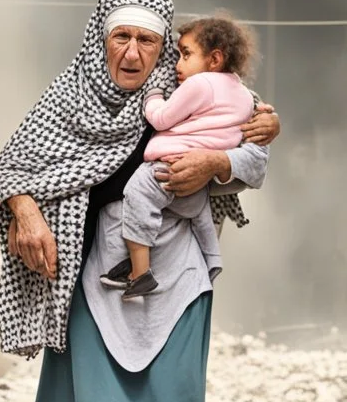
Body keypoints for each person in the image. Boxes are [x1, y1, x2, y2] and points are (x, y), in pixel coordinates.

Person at [0, 0, 280, 402]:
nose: (133, 53)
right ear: (101, 41)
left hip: (179, 274)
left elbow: (254, 155)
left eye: (147, 40)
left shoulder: (194, 91)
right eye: (122, 37)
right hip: (97, 274)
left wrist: (217, 162)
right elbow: (3, 171)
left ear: (167, 47)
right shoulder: (68, 100)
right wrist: (27, 207)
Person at [100, 15, 258, 300]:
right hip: (197, 189)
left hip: (166, 168)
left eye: (185, 55)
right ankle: (212, 262)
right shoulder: (246, 96)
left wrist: (153, 95)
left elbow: (161, 119)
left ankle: (139, 273)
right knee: (200, 217)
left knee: (136, 195)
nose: (177, 64)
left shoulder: (198, 86)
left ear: (215, 59)